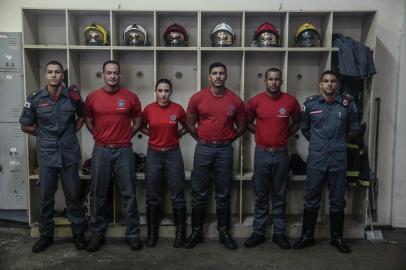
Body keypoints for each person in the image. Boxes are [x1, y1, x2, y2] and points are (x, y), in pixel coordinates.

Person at [19, 60, 87, 253]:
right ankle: (46, 236)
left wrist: (72, 130)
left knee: (73, 196)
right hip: (47, 155)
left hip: (68, 154)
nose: (54, 75)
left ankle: (78, 235)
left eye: (57, 72)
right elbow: (25, 124)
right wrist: (41, 135)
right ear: (46, 75)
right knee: (46, 197)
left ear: (62, 75)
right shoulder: (35, 98)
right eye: (50, 72)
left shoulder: (72, 97)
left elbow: (83, 115)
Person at [293, 70, 360, 253]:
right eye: (325, 81)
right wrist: (319, 143)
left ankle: (337, 238)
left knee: (338, 199)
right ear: (320, 84)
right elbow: (305, 128)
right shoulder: (310, 104)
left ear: (337, 84)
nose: (329, 84)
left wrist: (338, 142)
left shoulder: (347, 104)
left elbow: (354, 128)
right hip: (317, 157)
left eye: (332, 81)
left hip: (338, 157)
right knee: (311, 198)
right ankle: (307, 236)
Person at [184, 62, 246, 250]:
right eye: (214, 73)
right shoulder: (198, 98)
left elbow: (242, 126)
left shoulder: (235, 101)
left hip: (224, 151)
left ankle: (224, 233)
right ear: (209, 77)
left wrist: (226, 140)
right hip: (203, 149)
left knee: (223, 193)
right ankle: (196, 233)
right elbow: (189, 123)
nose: (218, 76)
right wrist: (202, 139)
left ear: (226, 77)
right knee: (198, 192)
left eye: (221, 73)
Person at [84, 60, 143, 252]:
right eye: (108, 73)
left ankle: (133, 234)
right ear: (103, 74)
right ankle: (97, 233)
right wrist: (98, 136)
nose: (112, 76)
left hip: (124, 150)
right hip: (101, 150)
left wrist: (126, 136)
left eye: (116, 73)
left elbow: (137, 121)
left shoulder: (131, 97)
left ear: (120, 75)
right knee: (99, 193)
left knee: (129, 194)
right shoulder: (92, 97)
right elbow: (88, 120)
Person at [244, 67, 301, 249]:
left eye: (277, 79)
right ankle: (258, 232)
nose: (274, 82)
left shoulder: (290, 101)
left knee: (279, 195)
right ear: (265, 81)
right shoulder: (255, 102)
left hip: (281, 154)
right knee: (261, 196)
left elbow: (297, 122)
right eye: (270, 79)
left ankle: (279, 234)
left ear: (281, 81)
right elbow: (247, 122)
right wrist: (259, 132)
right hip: (261, 153)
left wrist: (286, 135)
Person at [141, 79, 187, 248]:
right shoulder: (149, 109)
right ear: (156, 91)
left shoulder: (177, 109)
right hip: (154, 154)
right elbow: (141, 126)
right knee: (153, 196)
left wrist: (178, 135)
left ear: (171, 91)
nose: (163, 94)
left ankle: (180, 234)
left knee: (177, 195)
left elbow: (188, 126)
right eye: (160, 90)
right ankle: (152, 234)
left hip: (173, 154)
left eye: (166, 90)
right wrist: (152, 134)